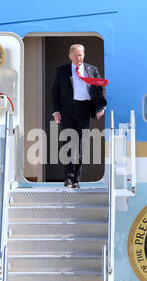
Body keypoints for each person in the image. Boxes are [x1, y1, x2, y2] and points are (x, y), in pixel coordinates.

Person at [52, 44, 107, 188]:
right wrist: (55, 111)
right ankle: (68, 178)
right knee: (69, 144)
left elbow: (101, 88)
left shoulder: (92, 70)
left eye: (81, 55)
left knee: (80, 145)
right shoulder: (62, 70)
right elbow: (55, 92)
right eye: (76, 55)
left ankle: (76, 179)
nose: (79, 57)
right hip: (66, 111)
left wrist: (101, 106)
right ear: (70, 56)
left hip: (84, 109)